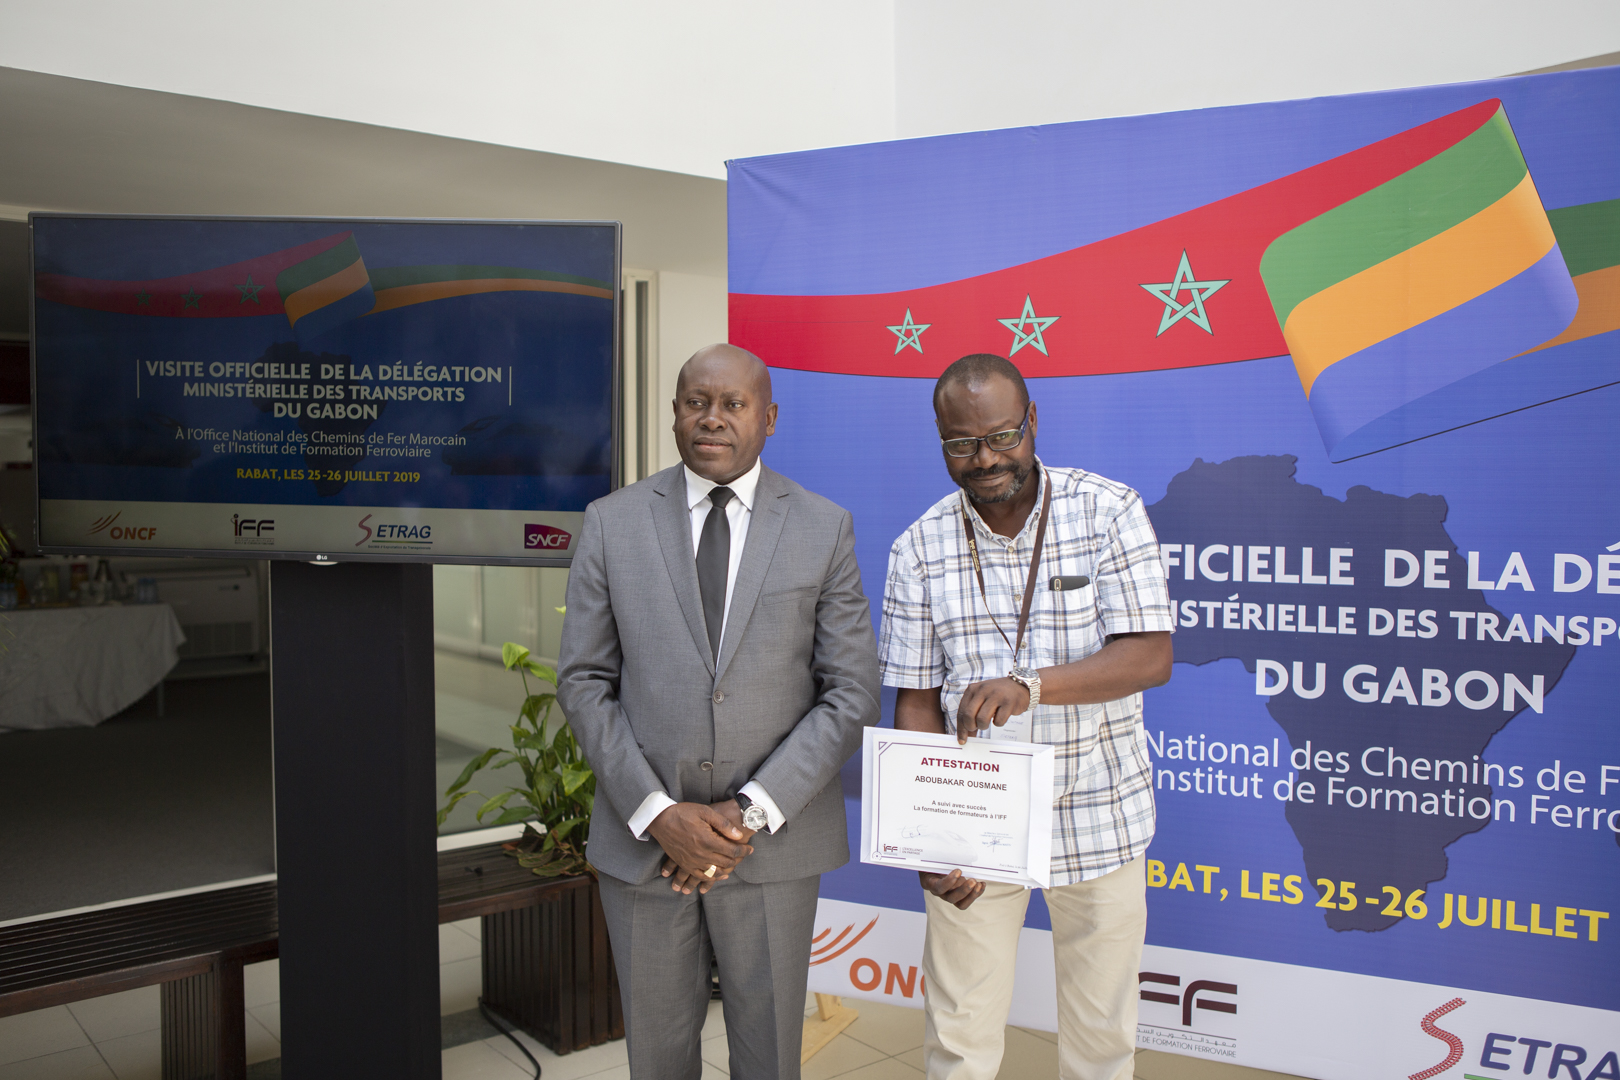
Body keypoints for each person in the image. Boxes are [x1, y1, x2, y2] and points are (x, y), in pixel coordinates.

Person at [557, 343, 880, 1080]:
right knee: (658, 1060)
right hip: (645, 846)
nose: (712, 419)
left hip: (772, 847)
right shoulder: (611, 522)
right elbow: (583, 681)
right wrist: (658, 814)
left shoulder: (823, 527)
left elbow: (851, 689)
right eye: (696, 403)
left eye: (733, 404)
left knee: (768, 1057)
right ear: (674, 413)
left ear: (769, 418)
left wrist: (747, 814)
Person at [879, 353, 1174, 1080]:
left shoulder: (1108, 511)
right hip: (975, 827)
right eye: (961, 443)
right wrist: (930, 836)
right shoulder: (917, 548)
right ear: (940, 439)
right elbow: (915, 700)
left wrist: (1029, 686)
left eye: (1002, 436)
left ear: (1033, 421)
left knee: (1102, 1039)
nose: (985, 459)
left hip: (1100, 810)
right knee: (960, 1037)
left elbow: (1149, 656)